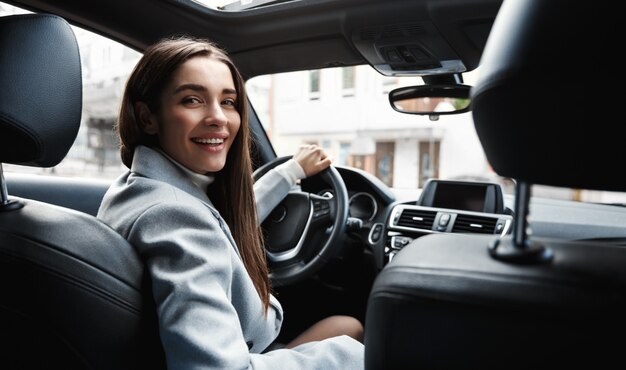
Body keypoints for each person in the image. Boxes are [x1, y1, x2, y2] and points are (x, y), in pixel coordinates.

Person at [97, 35, 364, 369]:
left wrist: (292, 170)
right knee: (356, 341)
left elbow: (231, 216)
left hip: (239, 342)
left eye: (228, 102)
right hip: (244, 354)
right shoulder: (176, 218)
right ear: (148, 117)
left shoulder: (140, 188)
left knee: (347, 327)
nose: (218, 118)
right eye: (192, 100)